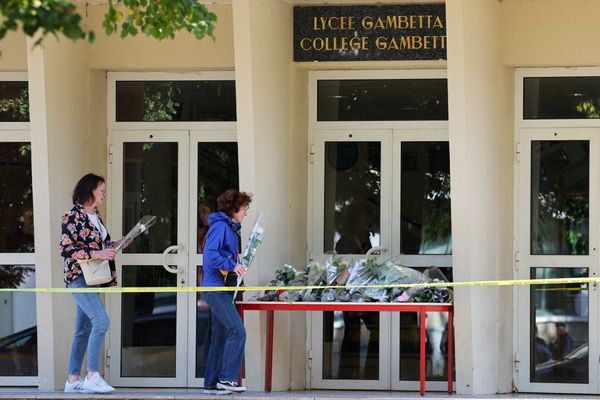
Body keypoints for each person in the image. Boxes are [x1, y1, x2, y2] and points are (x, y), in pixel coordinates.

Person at [59, 173, 120, 394]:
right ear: (90, 191)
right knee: (101, 322)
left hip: (93, 279)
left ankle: (73, 380)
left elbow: (101, 246)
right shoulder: (71, 216)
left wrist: (116, 245)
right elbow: (66, 249)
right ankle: (92, 375)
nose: (104, 194)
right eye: (102, 190)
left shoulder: (96, 216)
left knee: (83, 330)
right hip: (78, 278)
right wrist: (98, 252)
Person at [202, 189, 252, 394]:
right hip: (216, 289)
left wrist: (236, 266)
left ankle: (212, 383)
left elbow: (221, 256)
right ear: (234, 209)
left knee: (221, 335)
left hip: (221, 288)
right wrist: (232, 265)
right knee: (237, 331)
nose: (246, 213)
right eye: (244, 209)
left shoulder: (227, 227)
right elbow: (210, 255)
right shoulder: (221, 227)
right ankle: (227, 379)